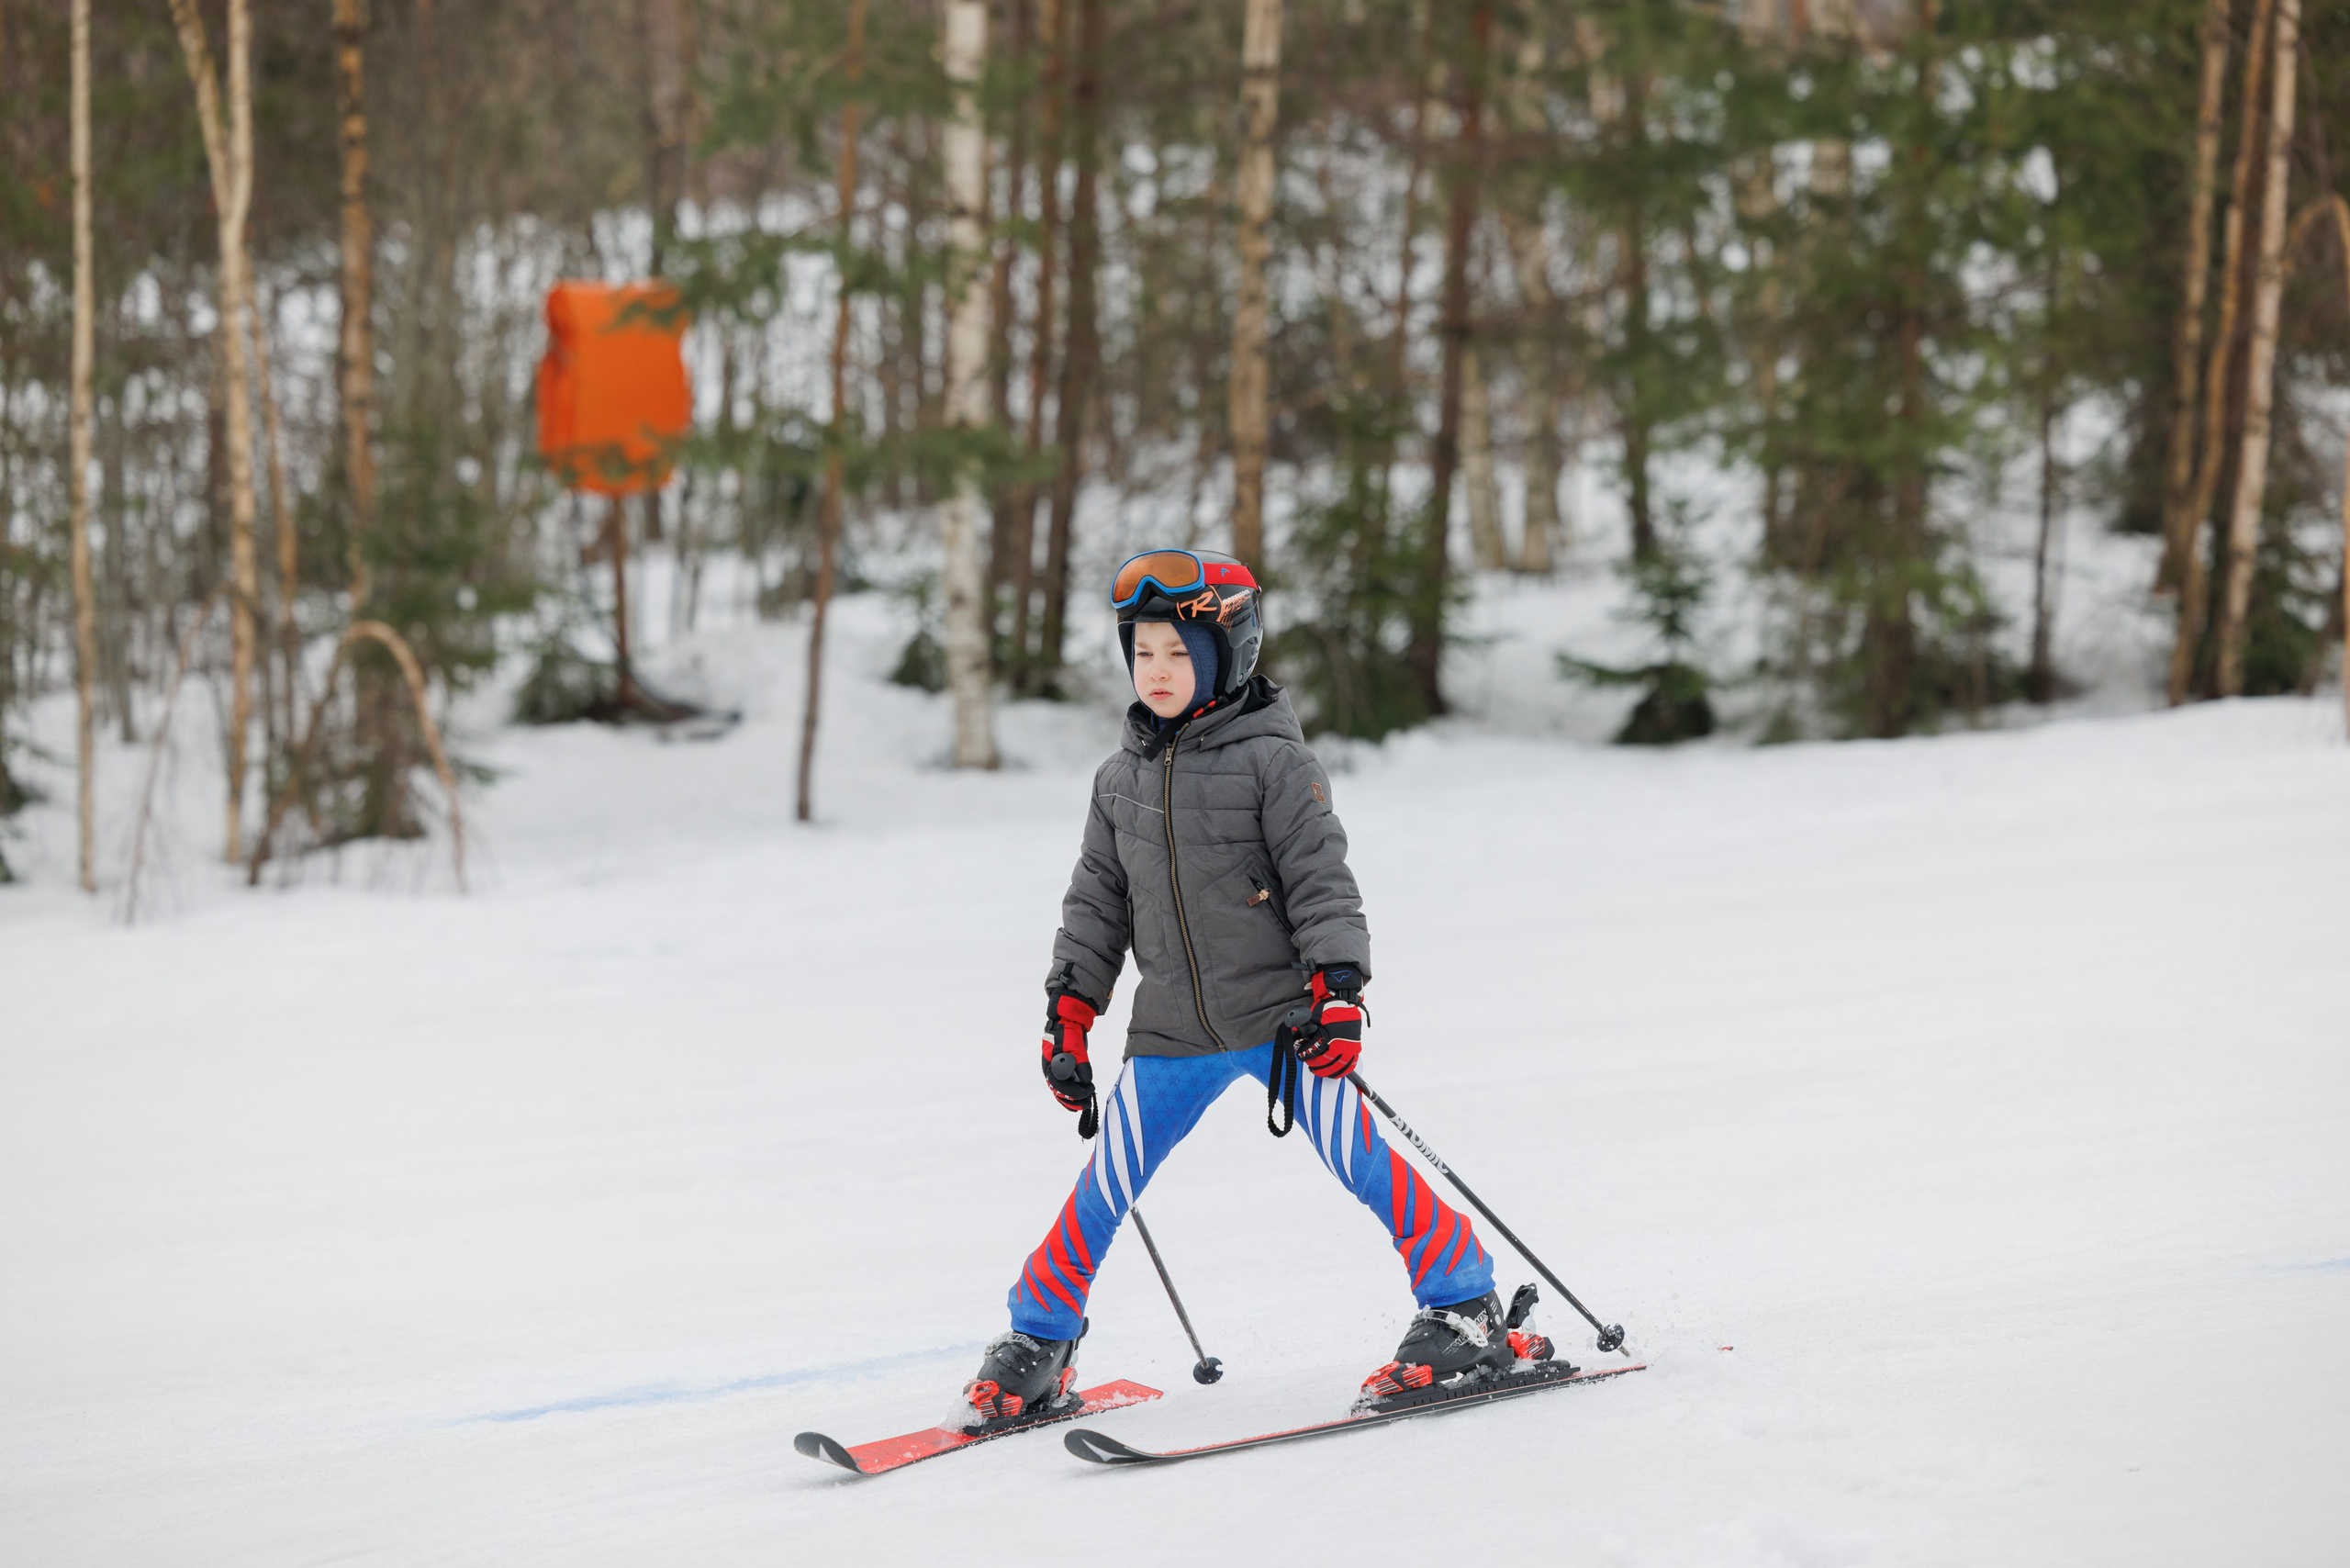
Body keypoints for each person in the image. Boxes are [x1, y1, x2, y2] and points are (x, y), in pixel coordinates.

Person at [957, 547, 1559, 1428]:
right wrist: (1069, 1019)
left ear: (1224, 654)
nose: (1155, 672)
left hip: (1284, 1025)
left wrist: (1340, 992)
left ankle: (1464, 1308)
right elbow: (1096, 906)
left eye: (1176, 653)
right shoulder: (1118, 779)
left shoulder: (1275, 763)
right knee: (1104, 1185)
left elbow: (1322, 883)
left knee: (1364, 1161)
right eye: (1142, 652)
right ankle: (1037, 1341)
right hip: (1170, 1030)